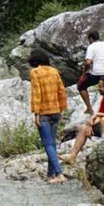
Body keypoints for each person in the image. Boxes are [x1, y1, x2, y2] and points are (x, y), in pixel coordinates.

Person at [63, 75, 104, 165]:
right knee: (84, 127)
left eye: (100, 86)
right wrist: (90, 124)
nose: (98, 88)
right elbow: (98, 117)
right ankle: (72, 155)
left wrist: (98, 114)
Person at [28, 50, 68, 184]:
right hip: (55, 111)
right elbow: (61, 90)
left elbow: (36, 94)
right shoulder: (54, 71)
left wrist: (36, 112)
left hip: (44, 113)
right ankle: (51, 175)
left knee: (47, 144)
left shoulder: (35, 72)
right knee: (52, 143)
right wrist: (62, 108)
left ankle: (59, 173)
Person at [76, 30, 104, 116]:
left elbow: (88, 62)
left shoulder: (92, 46)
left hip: (97, 74)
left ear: (91, 39)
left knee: (81, 85)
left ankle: (89, 108)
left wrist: (84, 72)